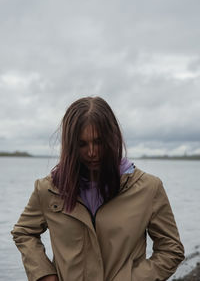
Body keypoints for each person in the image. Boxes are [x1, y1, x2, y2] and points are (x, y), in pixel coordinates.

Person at [11, 96, 184, 281]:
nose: (92, 152)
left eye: (99, 142)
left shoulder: (149, 188)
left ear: (113, 137)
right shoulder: (48, 189)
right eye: (82, 144)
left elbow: (171, 250)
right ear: (70, 145)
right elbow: (24, 232)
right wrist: (44, 275)